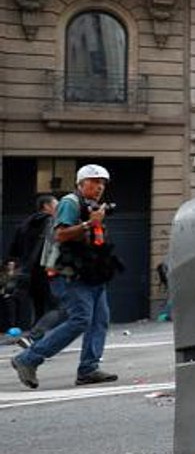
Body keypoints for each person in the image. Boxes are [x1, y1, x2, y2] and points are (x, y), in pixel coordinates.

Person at [10, 165, 121, 389]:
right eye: (93, 181)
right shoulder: (71, 203)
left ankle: (88, 369)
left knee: (99, 320)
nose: (99, 186)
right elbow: (61, 234)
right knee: (80, 319)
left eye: (102, 183)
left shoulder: (93, 206)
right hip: (70, 274)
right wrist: (91, 223)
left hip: (91, 273)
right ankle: (28, 359)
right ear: (81, 184)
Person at [5, 194, 58, 329]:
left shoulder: (24, 224)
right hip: (46, 269)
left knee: (38, 305)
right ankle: (43, 336)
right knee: (56, 306)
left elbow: (14, 250)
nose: (58, 208)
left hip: (28, 271)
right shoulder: (52, 221)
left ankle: (36, 334)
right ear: (46, 206)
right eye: (56, 205)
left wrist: (13, 270)